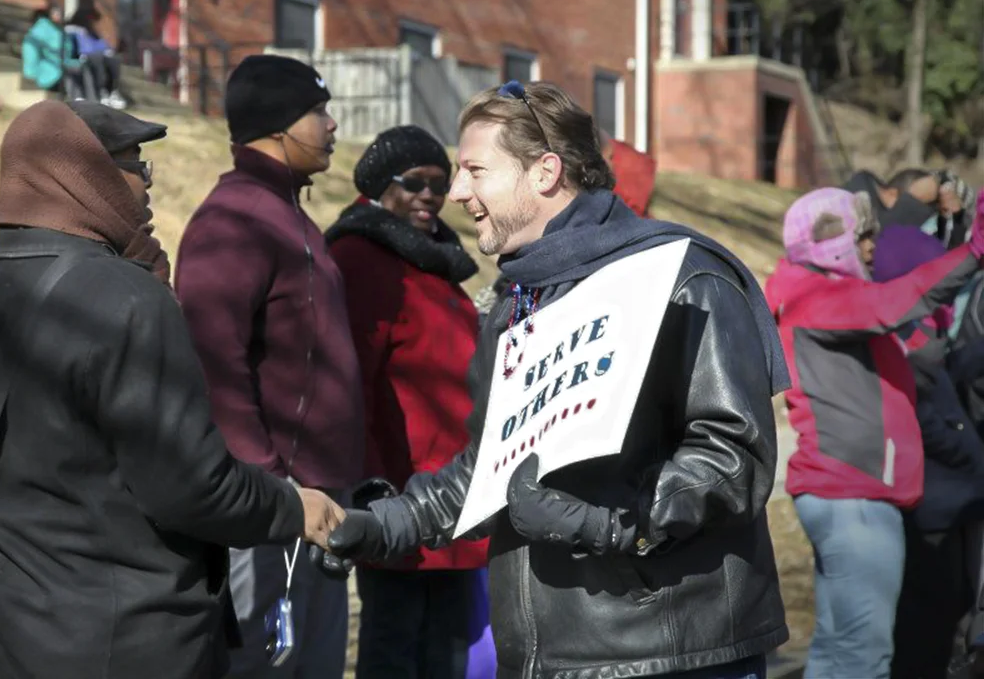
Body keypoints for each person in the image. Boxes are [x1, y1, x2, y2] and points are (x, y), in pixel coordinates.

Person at [327, 80, 794, 679]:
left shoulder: (681, 278)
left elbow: (734, 458)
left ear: (545, 171)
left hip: (666, 655)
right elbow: (487, 468)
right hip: (544, 658)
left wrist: (606, 524)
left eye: (474, 170)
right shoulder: (519, 302)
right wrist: (383, 525)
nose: (458, 192)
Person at [0, 99, 346, 679]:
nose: (148, 185)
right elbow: (188, 489)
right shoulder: (130, 300)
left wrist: (26, 512)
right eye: (136, 165)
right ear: (87, 175)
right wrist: (290, 506)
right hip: (127, 642)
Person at [175, 54, 364, 678]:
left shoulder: (288, 213)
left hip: (316, 506)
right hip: (269, 508)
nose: (332, 126)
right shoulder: (233, 220)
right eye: (319, 111)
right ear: (278, 125)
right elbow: (212, 362)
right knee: (262, 668)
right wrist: (270, 486)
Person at [765, 188, 983, 679]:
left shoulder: (816, 294)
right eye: (861, 235)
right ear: (828, 242)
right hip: (855, 494)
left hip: (849, 494)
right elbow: (896, 301)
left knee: (836, 651)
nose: (871, 247)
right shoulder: (816, 294)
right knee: (865, 658)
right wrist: (972, 254)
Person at [325, 125, 492, 679]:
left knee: (446, 652)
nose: (429, 195)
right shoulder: (361, 256)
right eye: (414, 183)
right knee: (395, 648)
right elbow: (352, 385)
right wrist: (372, 488)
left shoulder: (432, 257)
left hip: (454, 491)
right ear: (378, 185)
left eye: (440, 186)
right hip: (400, 494)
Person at [871, 226, 984, 679]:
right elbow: (917, 413)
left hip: (951, 494)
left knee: (950, 606)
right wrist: (970, 455)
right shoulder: (895, 330)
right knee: (924, 621)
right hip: (930, 497)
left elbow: (949, 372)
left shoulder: (923, 323)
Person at [21, 6, 94, 100]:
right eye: (56, 13)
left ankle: (89, 99)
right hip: (50, 71)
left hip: (63, 66)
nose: (60, 16)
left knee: (85, 67)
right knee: (71, 73)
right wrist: (30, 72)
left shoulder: (60, 30)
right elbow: (30, 48)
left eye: (61, 13)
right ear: (50, 14)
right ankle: (79, 100)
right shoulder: (42, 28)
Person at [65, 8, 126, 109]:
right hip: (83, 56)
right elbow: (85, 47)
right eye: (93, 20)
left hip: (95, 55)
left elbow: (101, 44)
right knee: (98, 59)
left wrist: (108, 50)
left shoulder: (91, 32)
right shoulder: (76, 30)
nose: (95, 23)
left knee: (114, 59)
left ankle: (111, 91)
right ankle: (101, 91)